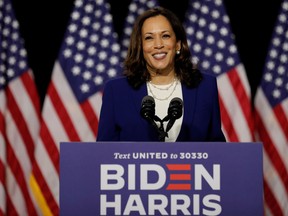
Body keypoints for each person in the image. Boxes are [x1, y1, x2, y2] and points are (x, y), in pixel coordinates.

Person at [96, 6, 226, 142]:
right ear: (140, 47)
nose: (158, 44)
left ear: (178, 44)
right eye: (149, 38)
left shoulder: (205, 87)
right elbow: (104, 153)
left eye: (165, 36)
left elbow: (216, 150)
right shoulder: (117, 91)